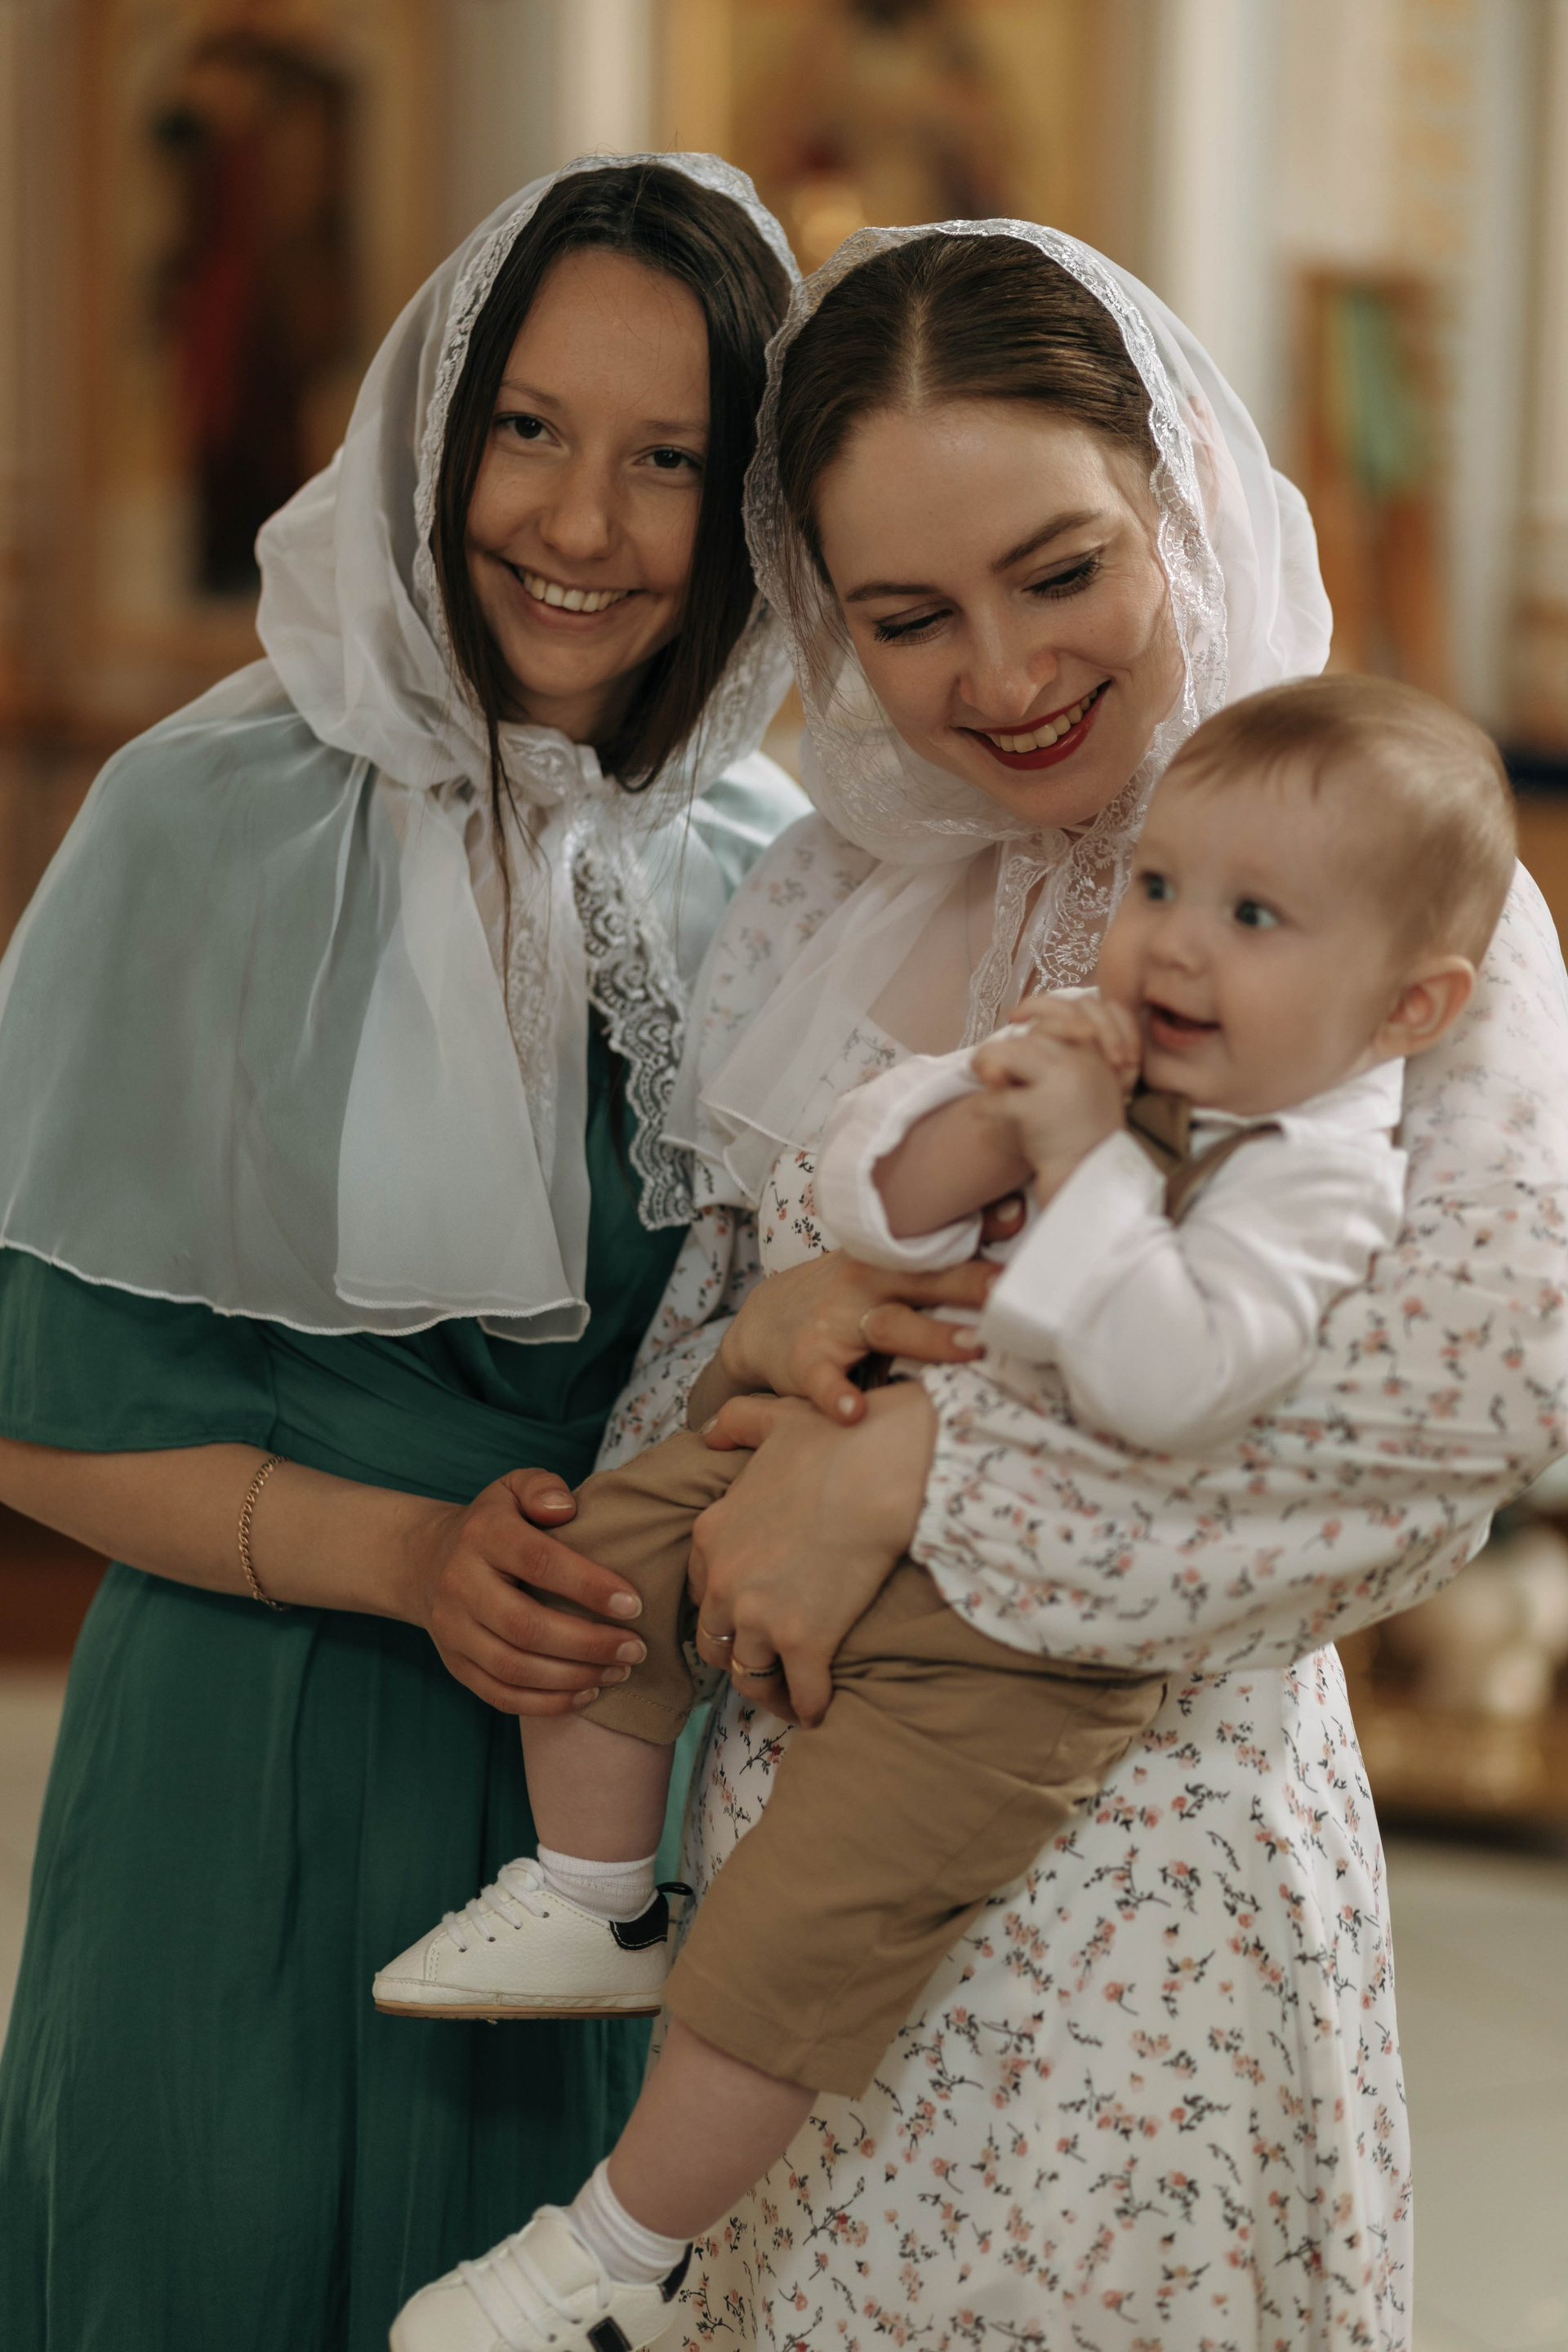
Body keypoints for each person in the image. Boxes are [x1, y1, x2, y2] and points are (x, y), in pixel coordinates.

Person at [399, 223, 1566, 2351]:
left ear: (1174, 501)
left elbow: (1452, 1422)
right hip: (779, 1888)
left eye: (1061, 572)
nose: (1005, 676)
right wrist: (752, 1367)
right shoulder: (814, 892)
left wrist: (917, 1478)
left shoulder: (1387, 878)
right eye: (908, 617)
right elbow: (714, 1355)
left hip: (1147, 1896)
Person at [0, 155, 998, 2352]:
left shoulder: (782, 879)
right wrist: (408, 1556)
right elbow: (35, 1419)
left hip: (624, 1785)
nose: (581, 523)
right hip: (255, 1744)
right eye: (530, 429)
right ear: (432, 432)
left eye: (671, 461)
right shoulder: (194, 820)